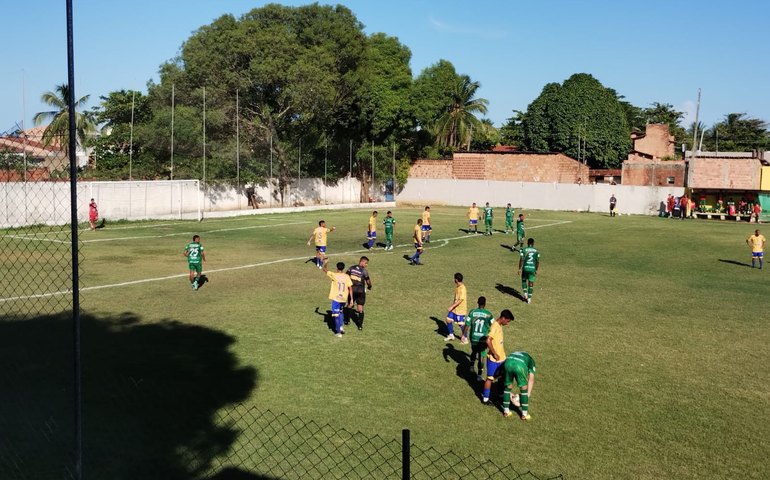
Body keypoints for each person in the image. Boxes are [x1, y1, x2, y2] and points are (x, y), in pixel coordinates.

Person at [482, 309, 514, 405]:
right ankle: (485, 399)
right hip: (493, 360)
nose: (507, 323)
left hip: (502, 359)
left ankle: (500, 395)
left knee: (501, 377)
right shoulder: (495, 327)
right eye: (507, 321)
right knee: (490, 378)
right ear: (503, 318)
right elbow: (488, 340)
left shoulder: (499, 325)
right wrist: (494, 353)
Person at [501, 351, 536, 421]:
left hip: (507, 363)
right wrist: (528, 394)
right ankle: (524, 414)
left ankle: (506, 412)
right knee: (524, 390)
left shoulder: (514, 353)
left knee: (507, 388)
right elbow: (531, 379)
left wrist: (510, 394)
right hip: (519, 366)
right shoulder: (531, 361)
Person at [322, 260, 353, 337]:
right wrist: (351, 299)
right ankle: (341, 327)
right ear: (343, 268)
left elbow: (324, 269)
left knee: (336, 315)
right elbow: (350, 288)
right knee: (341, 312)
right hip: (343, 298)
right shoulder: (347, 276)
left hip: (336, 298)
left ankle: (338, 332)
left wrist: (325, 263)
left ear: (337, 268)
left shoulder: (334, 275)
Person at [466, 296, 494, 381]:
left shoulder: (472, 312)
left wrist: (463, 335)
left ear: (477, 303)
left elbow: (467, 324)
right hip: (483, 339)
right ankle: (479, 375)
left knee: (474, 351)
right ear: (485, 304)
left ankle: (471, 366)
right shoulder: (489, 314)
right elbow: (494, 325)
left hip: (473, 338)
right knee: (482, 356)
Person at [346, 256, 372, 330]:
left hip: (352, 290)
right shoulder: (364, 271)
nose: (366, 265)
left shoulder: (351, 268)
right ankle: (360, 326)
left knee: (350, 304)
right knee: (360, 308)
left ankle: (347, 321)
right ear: (362, 261)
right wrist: (370, 286)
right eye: (366, 263)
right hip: (360, 291)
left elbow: (346, 276)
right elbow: (368, 281)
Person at [445, 272, 468, 343]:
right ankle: (451, 335)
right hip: (455, 309)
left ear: (456, 280)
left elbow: (460, 300)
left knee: (460, 324)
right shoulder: (458, 287)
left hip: (460, 310)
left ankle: (465, 338)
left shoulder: (463, 289)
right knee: (448, 319)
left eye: (454, 278)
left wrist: (452, 306)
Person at [519, 237, 540, 304]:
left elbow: (521, 259)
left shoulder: (524, 250)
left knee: (523, 279)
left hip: (525, 268)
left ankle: (525, 294)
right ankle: (529, 299)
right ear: (533, 243)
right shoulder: (536, 251)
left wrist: (519, 268)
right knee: (531, 283)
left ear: (528, 243)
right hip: (532, 269)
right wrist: (536, 269)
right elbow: (537, 261)